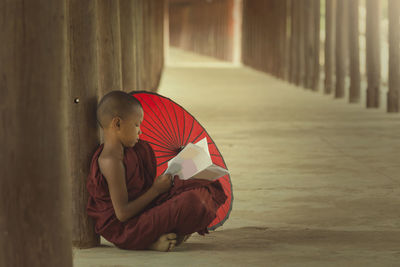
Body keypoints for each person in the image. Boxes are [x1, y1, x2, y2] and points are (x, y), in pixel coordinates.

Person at [86, 90, 228, 252]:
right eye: (137, 124)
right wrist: (156, 189)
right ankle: (150, 242)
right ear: (117, 124)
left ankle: (164, 233)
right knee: (194, 202)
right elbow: (122, 214)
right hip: (127, 228)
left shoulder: (136, 150)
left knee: (202, 186)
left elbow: (143, 191)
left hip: (143, 210)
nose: (140, 131)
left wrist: (173, 175)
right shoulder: (110, 161)